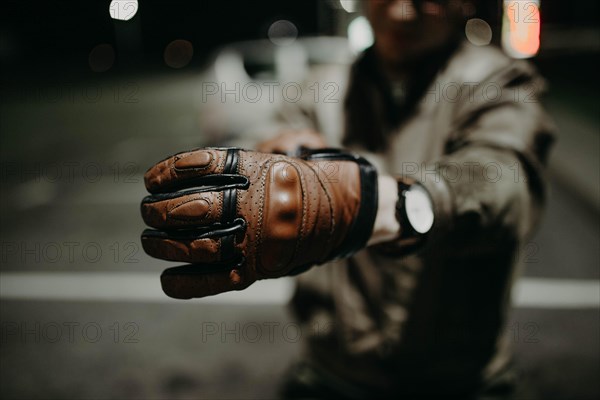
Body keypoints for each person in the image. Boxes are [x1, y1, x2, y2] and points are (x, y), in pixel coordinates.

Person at [140, 0, 555, 398]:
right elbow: (263, 144)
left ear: (463, 2)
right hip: (331, 371)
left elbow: (503, 182)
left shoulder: (498, 82)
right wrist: (260, 164)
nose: (402, 8)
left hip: (462, 379)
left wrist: (383, 205)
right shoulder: (323, 87)